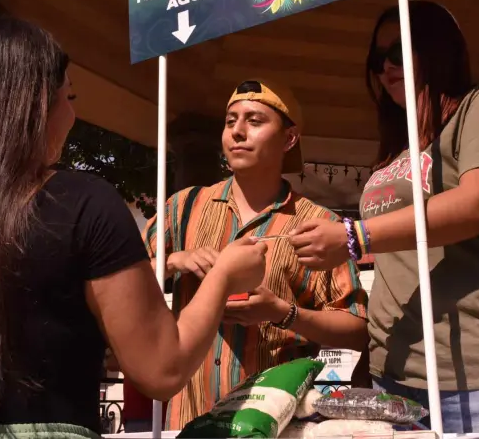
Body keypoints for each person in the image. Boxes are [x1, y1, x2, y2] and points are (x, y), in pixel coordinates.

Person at [0, 17, 267, 439]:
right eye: (69, 94)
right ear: (33, 106)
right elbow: (161, 367)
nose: (73, 112)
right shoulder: (84, 204)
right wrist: (225, 274)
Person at [288, 1, 479, 438]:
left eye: (399, 51)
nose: (386, 67)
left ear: (437, 47)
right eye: (377, 59)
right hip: (394, 379)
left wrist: (356, 235)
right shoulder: (395, 151)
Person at [143, 79, 369, 430]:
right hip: (187, 421)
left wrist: (283, 313)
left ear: (289, 138)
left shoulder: (320, 224)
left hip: (276, 426)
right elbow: (124, 283)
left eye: (255, 120)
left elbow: (355, 328)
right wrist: (173, 261)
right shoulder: (182, 208)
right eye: (230, 120)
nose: (237, 132)